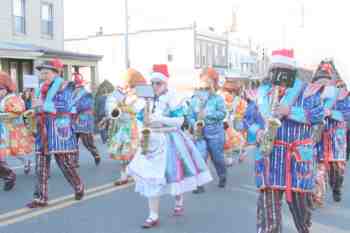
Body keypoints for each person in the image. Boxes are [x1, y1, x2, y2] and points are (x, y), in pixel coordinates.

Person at [245, 49, 324, 233]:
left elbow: (319, 116)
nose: (279, 73)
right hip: (268, 159)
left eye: (283, 69)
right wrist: (256, 132)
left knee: (302, 215)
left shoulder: (307, 92)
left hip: (296, 162)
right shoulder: (261, 93)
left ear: (292, 70)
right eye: (275, 68)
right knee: (268, 219)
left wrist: (291, 111)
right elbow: (248, 119)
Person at [127, 64, 212, 228]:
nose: (155, 86)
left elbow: (180, 121)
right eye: (153, 83)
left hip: (170, 139)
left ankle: (178, 198)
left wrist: (160, 119)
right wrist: (143, 122)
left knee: (174, 174)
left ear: (165, 84)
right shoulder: (146, 99)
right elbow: (139, 119)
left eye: (158, 83)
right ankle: (153, 215)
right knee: (151, 178)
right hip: (150, 140)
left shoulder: (173, 97)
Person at [27, 59, 84, 208]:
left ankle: (78, 186)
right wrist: (33, 109)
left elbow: (65, 105)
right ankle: (41, 198)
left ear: (55, 73)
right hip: (42, 129)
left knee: (65, 164)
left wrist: (42, 105)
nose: (43, 75)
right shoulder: (39, 88)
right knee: (40, 166)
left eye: (46, 73)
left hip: (59, 130)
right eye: (42, 73)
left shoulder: (66, 86)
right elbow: (39, 107)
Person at [313, 60, 350, 206]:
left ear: (332, 80)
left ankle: (336, 187)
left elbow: (347, 113)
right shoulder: (313, 94)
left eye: (326, 80)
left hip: (337, 139)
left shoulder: (341, 94)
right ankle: (317, 196)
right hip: (320, 138)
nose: (323, 83)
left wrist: (331, 112)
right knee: (319, 170)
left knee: (337, 172)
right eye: (320, 80)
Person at [186, 67, 227, 193]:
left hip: (215, 133)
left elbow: (222, 114)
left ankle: (222, 175)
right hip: (200, 133)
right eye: (202, 84)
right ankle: (200, 184)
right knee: (200, 157)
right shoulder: (194, 99)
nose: (204, 88)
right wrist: (195, 124)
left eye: (207, 85)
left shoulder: (217, 99)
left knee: (217, 158)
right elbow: (189, 116)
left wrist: (207, 115)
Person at [103, 68, 146, 185]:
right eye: (127, 86)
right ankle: (124, 176)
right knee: (123, 154)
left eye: (131, 86)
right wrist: (113, 107)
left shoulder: (141, 98)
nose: (128, 89)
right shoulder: (120, 95)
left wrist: (122, 106)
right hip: (123, 129)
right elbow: (110, 106)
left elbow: (135, 108)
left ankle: (138, 175)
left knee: (137, 154)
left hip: (136, 128)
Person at [0, 71, 34, 190]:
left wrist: (3, 116)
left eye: (1, 89)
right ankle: (7, 173)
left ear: (6, 88)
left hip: (12, 129)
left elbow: (18, 111)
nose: (0, 92)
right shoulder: (3, 99)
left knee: (15, 151)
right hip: (3, 129)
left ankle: (26, 162)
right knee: (3, 154)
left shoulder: (13, 98)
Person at [72, 72, 101, 167]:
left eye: (77, 87)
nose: (76, 89)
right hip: (74, 120)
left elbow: (86, 106)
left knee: (87, 142)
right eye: (75, 87)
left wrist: (74, 107)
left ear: (81, 87)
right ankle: (74, 161)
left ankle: (95, 154)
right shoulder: (72, 95)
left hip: (84, 120)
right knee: (73, 142)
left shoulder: (87, 95)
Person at [219, 76, 247, 166]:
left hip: (226, 121)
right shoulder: (232, 98)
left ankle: (231, 156)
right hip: (228, 121)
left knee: (229, 139)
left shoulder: (222, 96)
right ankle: (237, 154)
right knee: (231, 139)